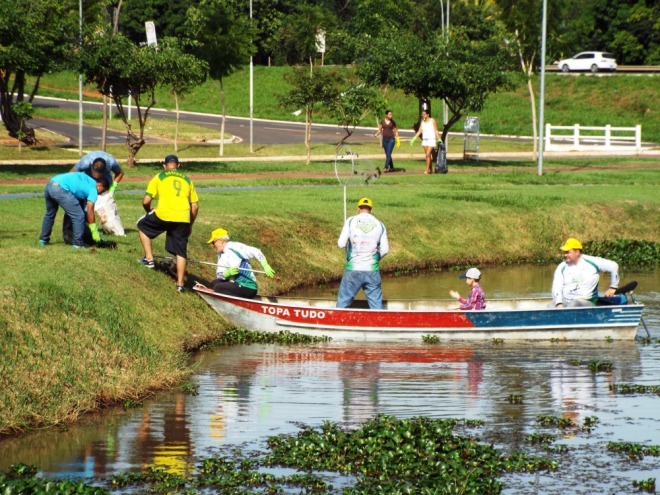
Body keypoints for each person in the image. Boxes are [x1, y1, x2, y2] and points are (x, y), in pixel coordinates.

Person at [137, 155, 199, 293]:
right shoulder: (187, 180)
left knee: (142, 226)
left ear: (164, 165)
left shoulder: (159, 176)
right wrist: (190, 224)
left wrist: (148, 212)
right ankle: (180, 284)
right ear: (179, 165)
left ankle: (149, 259)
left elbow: (146, 201)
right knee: (181, 251)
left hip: (163, 214)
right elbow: (194, 206)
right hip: (183, 216)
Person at [337, 197, 389, 309]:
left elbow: (341, 244)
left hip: (353, 269)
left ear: (358, 208)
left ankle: (337, 323)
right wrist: (375, 259)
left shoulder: (351, 221)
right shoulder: (380, 225)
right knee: (376, 307)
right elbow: (385, 250)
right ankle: (378, 323)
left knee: (342, 304)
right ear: (371, 210)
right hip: (372, 270)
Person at [39, 171, 108, 249]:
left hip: (51, 183)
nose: (100, 194)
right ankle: (78, 244)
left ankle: (43, 240)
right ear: (100, 185)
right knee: (79, 215)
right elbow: (90, 210)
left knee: (50, 214)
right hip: (61, 189)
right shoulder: (93, 189)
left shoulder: (88, 180)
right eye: (102, 191)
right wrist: (94, 230)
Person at [207, 228, 276, 299]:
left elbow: (256, 251)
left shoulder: (235, 247)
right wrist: (226, 274)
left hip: (247, 286)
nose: (212, 246)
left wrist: (265, 265)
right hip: (234, 283)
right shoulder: (220, 254)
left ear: (221, 240)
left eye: (213, 242)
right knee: (214, 283)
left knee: (218, 288)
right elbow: (219, 275)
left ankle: (239, 303)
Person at [552, 238, 620, 308]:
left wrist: (613, 287)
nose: (565, 255)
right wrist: (559, 304)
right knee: (550, 305)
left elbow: (614, 266)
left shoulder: (593, 262)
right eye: (565, 252)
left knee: (574, 304)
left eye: (568, 252)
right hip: (566, 301)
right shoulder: (561, 267)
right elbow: (556, 288)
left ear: (577, 252)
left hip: (587, 301)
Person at [410, 109, 442, 174]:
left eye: (424, 114)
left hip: (431, 139)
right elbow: (419, 131)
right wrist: (414, 138)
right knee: (428, 155)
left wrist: (439, 139)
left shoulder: (432, 120)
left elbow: (436, 130)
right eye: (422, 114)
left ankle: (427, 170)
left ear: (428, 114)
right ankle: (430, 169)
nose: (423, 115)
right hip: (425, 140)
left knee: (428, 154)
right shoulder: (423, 122)